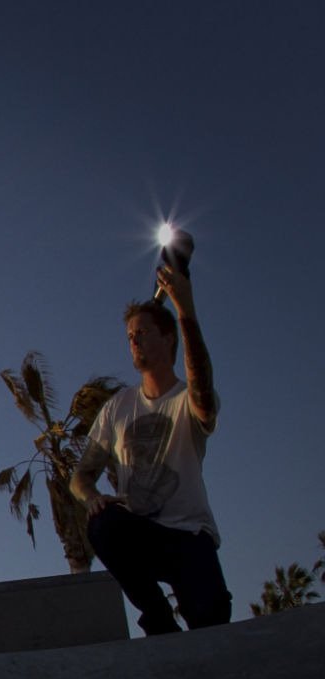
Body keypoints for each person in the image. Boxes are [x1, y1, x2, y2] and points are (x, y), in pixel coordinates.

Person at [72, 263, 229, 633]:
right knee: (104, 524)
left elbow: (202, 389)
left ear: (168, 338)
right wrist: (90, 496)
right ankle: (157, 618)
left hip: (190, 536)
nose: (134, 340)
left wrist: (185, 308)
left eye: (142, 332)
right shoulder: (118, 406)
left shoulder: (188, 398)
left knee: (213, 625)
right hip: (143, 532)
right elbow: (81, 475)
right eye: (129, 335)